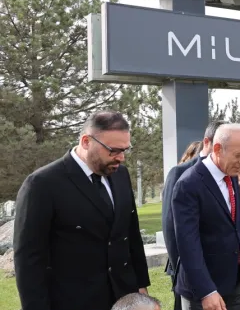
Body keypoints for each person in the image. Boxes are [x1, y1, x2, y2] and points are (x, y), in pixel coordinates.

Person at [14, 111, 151, 310]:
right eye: (113, 150)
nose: (121, 158)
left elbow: (130, 235)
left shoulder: (121, 175)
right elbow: (29, 260)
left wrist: (140, 285)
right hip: (72, 301)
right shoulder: (42, 184)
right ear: (86, 141)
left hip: (123, 298)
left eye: (125, 149)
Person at [172, 123, 240, 310]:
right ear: (217, 149)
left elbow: (236, 223)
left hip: (234, 282)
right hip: (203, 291)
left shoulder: (231, 174)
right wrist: (206, 291)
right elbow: (188, 245)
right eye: (239, 155)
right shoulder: (188, 185)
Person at [162, 120, 227, 310]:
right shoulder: (180, 173)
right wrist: (183, 270)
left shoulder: (227, 176)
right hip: (190, 276)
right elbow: (170, 228)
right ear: (208, 143)